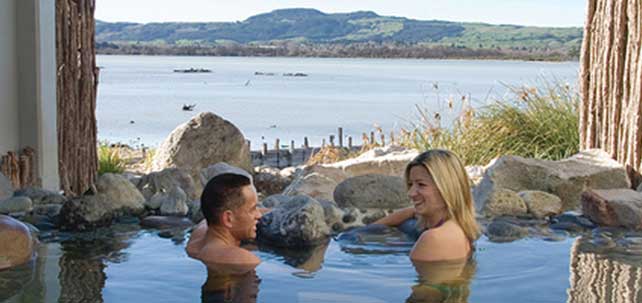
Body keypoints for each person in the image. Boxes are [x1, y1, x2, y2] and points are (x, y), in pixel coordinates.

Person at [373, 149, 480, 261]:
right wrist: (366, 230)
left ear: (447, 188)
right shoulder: (460, 226)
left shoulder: (434, 238)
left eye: (421, 185)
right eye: (410, 184)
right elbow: (412, 212)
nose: (411, 193)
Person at [186, 163, 269, 268]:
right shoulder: (243, 260)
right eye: (253, 209)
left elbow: (207, 219)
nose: (259, 215)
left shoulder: (198, 237)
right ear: (228, 218)